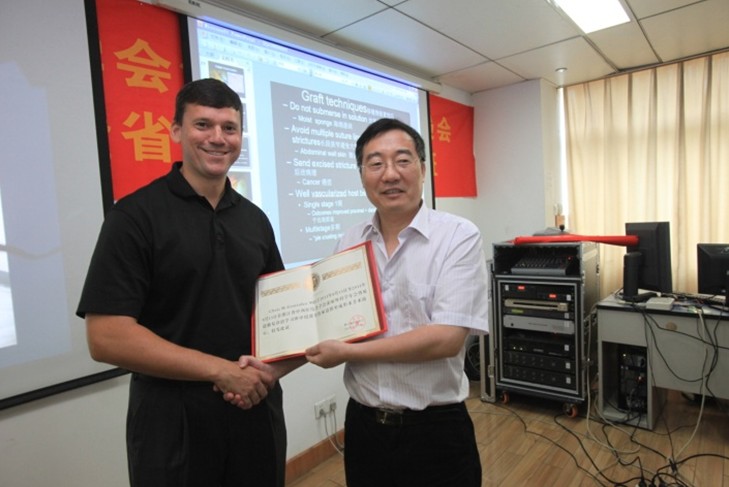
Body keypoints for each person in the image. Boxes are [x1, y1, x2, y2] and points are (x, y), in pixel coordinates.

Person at [77, 78, 303, 487]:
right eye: (203, 125)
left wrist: (267, 374)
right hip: (171, 422)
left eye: (229, 128)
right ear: (176, 131)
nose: (217, 138)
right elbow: (106, 336)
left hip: (255, 411)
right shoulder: (134, 217)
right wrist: (220, 371)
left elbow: (284, 317)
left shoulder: (255, 221)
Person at [305, 118, 489, 487]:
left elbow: (446, 339)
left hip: (436, 430)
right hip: (364, 428)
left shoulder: (458, 236)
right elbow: (328, 322)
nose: (390, 174)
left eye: (402, 160)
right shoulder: (349, 242)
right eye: (375, 163)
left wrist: (348, 353)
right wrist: (268, 370)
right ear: (362, 175)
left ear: (423, 168)